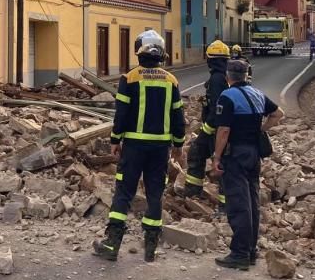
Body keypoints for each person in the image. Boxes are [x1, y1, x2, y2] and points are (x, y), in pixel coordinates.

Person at [93, 30, 186, 263]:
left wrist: (115, 140)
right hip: (160, 149)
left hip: (134, 146)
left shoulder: (130, 78)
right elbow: (178, 115)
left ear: (140, 50)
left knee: (124, 192)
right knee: (155, 193)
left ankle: (112, 244)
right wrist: (178, 144)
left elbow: (121, 114)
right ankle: (151, 247)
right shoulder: (171, 80)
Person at [210, 60, 284, 270]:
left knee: (238, 203)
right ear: (245, 76)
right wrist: (262, 128)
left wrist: (216, 157)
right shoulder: (257, 94)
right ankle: (251, 251)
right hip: (254, 154)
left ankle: (240, 253)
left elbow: (223, 131)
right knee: (252, 201)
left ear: (228, 76)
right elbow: (279, 114)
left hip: (236, 155)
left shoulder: (227, 96)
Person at [182, 40, 230, 212]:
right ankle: (194, 193)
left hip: (215, 129)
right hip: (225, 127)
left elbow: (218, 108)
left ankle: (223, 205)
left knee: (215, 160)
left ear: (210, 59)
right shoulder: (228, 75)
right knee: (200, 154)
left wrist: (206, 130)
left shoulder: (217, 79)